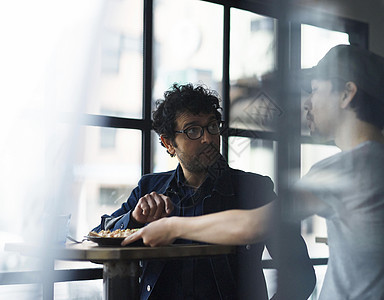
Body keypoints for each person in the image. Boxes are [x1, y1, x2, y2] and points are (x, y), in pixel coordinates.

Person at [124, 45, 384, 299]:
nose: (308, 102)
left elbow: (252, 225)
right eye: (192, 131)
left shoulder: (346, 168)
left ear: (346, 94)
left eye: (316, 90)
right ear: (168, 143)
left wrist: (172, 227)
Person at [94, 83, 316, 300]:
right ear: (169, 143)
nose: (208, 138)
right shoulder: (150, 188)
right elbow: (98, 235)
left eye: (212, 126)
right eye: (193, 130)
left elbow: (300, 274)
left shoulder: (254, 189)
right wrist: (133, 219)